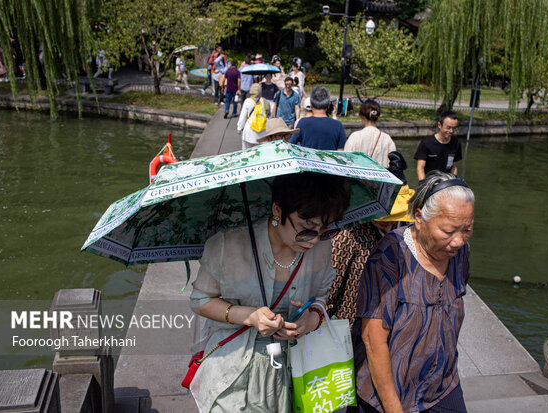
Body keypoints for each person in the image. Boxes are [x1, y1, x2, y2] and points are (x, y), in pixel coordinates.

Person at [189, 172, 351, 413]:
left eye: (325, 230)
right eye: (308, 228)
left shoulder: (321, 248)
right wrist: (249, 316)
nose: (314, 240)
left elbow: (320, 295)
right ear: (278, 210)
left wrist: (312, 319)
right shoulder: (227, 244)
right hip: (234, 369)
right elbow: (200, 300)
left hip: (300, 368)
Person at [351, 171, 475, 413]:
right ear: (419, 217)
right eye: (449, 231)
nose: (459, 240)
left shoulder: (461, 253)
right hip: (391, 391)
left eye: (467, 229)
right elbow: (373, 339)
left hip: (442, 385)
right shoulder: (390, 256)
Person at [328, 151, 413, 327]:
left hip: (394, 320)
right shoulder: (348, 235)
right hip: (351, 324)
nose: (382, 222)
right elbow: (330, 289)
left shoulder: (410, 232)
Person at [290, 86, 346, 150]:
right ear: (328, 105)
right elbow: (341, 151)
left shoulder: (302, 123)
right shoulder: (338, 125)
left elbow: (292, 146)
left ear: (311, 104)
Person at [344, 100, 396, 168]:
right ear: (378, 116)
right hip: (380, 177)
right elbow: (394, 164)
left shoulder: (355, 137)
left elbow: (346, 162)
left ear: (361, 116)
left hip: (359, 177)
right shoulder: (387, 139)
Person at [414, 111, 462, 181]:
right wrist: (423, 184)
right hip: (429, 181)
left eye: (454, 128)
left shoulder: (456, 143)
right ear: (439, 125)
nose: (451, 131)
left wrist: (453, 181)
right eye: (448, 127)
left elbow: (453, 166)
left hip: (446, 182)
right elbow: (420, 167)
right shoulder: (426, 143)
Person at [237, 83, 271, 149]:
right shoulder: (264, 101)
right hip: (262, 132)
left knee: (247, 153)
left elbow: (243, 116)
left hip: (249, 132)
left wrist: (239, 128)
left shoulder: (247, 101)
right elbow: (268, 115)